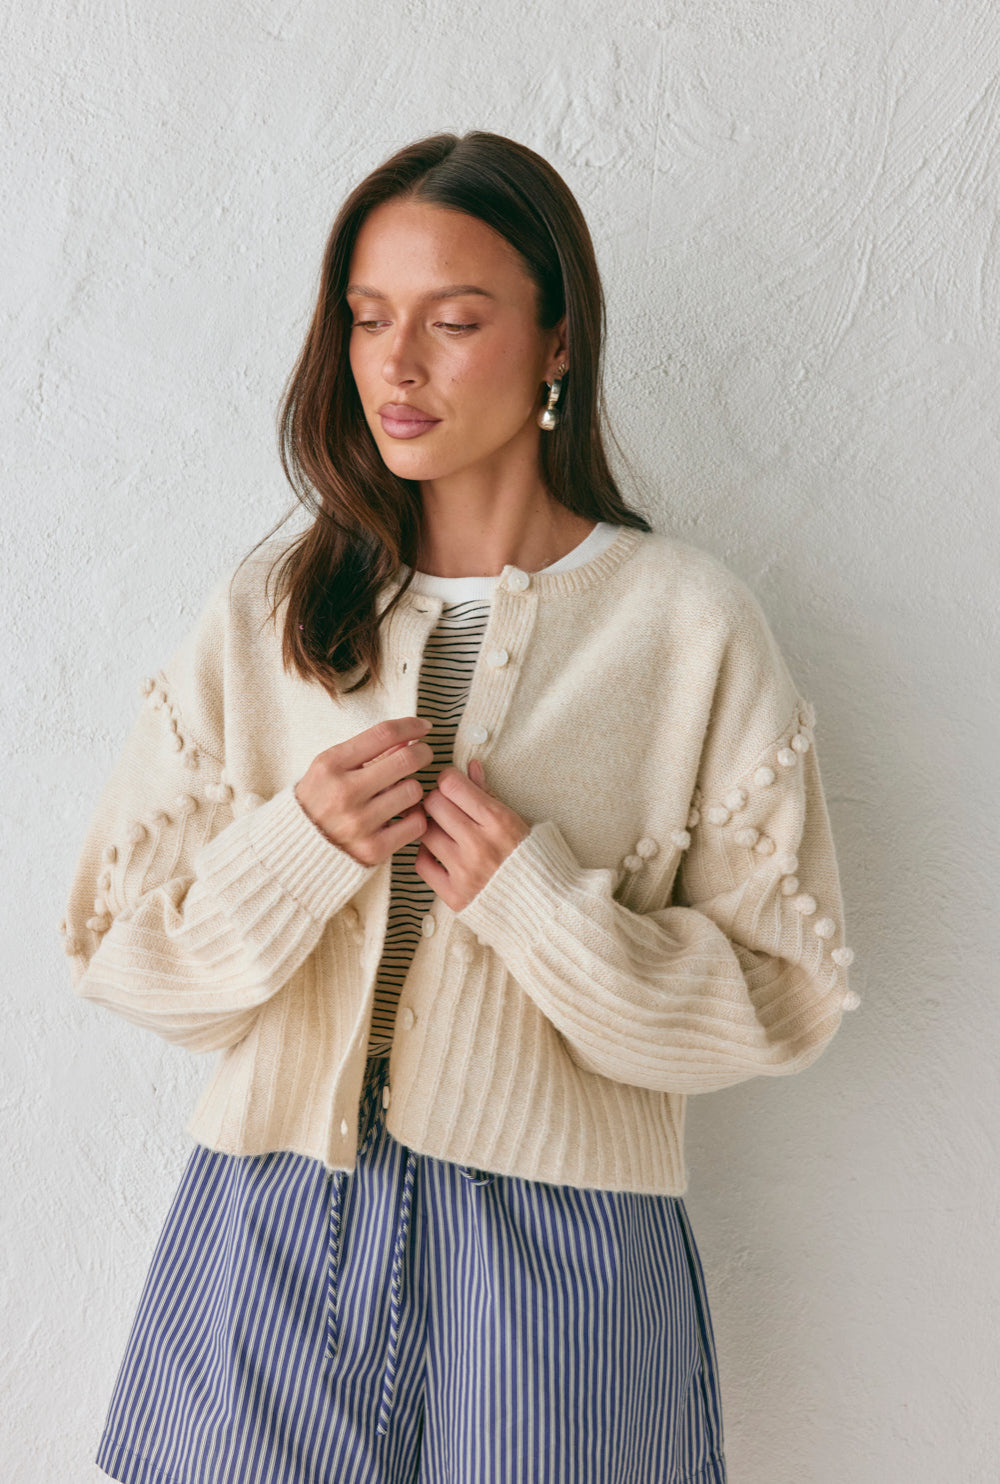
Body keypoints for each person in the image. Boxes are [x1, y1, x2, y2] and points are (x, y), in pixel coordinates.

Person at [61, 129, 859, 1484]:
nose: (397, 365)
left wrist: (540, 910)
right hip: (274, 1219)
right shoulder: (269, 615)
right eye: (369, 318)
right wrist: (294, 855)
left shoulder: (686, 626)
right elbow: (115, 950)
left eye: (454, 320)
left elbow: (783, 997)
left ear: (558, 343)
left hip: (561, 1244)